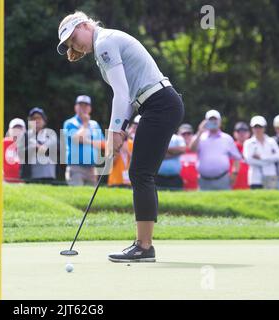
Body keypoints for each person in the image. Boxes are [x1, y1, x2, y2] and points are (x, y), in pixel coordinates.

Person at [57, 11, 184, 262]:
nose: (75, 46)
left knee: (140, 173)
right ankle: (143, 245)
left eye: (74, 38)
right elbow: (126, 96)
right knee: (141, 172)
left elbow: (121, 92)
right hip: (157, 104)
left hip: (159, 104)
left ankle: (144, 247)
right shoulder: (106, 43)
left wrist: (115, 132)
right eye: (71, 44)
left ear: (84, 25)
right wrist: (119, 129)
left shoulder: (104, 43)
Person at [189, 110, 241, 190]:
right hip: (203, 181)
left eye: (215, 120)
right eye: (210, 120)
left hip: (222, 179)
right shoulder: (200, 137)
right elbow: (192, 149)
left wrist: (234, 174)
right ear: (206, 122)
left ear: (220, 122)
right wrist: (199, 131)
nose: (213, 122)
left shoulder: (227, 138)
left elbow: (237, 158)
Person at [63, 95, 105, 186]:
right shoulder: (70, 123)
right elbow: (77, 139)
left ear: (90, 108)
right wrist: (85, 124)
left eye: (86, 105)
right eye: (80, 105)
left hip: (91, 168)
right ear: (75, 107)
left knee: (91, 198)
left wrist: (87, 141)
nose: (83, 108)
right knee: (76, 195)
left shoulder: (94, 124)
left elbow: (103, 144)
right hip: (75, 167)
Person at [18, 108, 57, 184]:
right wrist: (33, 147)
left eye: (39, 118)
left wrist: (41, 148)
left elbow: (57, 149)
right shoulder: (25, 136)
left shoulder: (51, 134)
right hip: (30, 176)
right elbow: (20, 153)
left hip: (48, 175)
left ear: (44, 121)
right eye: (33, 118)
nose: (36, 121)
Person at [243, 116, 279, 189]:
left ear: (264, 128)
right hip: (255, 178)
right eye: (255, 127)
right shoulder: (248, 143)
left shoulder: (271, 141)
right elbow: (248, 160)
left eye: (260, 127)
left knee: (272, 199)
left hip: (271, 175)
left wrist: (262, 157)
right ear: (252, 128)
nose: (258, 129)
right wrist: (269, 161)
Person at [0, 118, 25, 183]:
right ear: (9, 130)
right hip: (6, 182)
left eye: (20, 129)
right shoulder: (3, 143)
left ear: (24, 130)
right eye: (14, 129)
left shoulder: (29, 144)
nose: (17, 131)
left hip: (25, 183)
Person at [178, 123, 198, 191]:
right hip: (178, 186)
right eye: (183, 134)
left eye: (188, 134)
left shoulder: (198, 149)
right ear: (178, 135)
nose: (186, 136)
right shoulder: (174, 151)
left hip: (196, 187)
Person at [230, 122, 250, 190]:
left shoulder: (253, 147)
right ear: (234, 133)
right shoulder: (230, 148)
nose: (242, 134)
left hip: (250, 185)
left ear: (248, 133)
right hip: (233, 185)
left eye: (244, 131)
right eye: (239, 131)